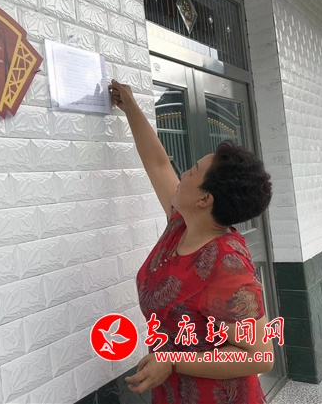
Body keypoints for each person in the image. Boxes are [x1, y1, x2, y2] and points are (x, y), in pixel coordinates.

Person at [109, 79, 274, 404]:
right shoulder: (181, 224)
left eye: (193, 171)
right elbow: (158, 164)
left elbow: (259, 355)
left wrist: (173, 361)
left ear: (204, 199)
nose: (183, 172)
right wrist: (130, 108)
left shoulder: (227, 266)